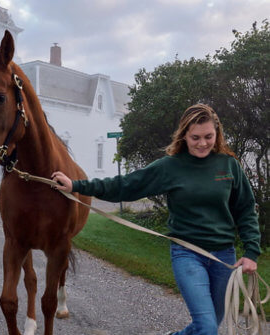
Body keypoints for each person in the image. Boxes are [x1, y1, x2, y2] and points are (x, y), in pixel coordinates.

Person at [51, 104, 260, 335]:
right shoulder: (170, 167)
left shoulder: (228, 165)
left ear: (217, 134)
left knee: (206, 327)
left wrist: (251, 252)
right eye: (195, 137)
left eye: (208, 137)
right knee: (208, 328)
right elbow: (125, 185)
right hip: (188, 254)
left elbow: (246, 209)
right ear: (184, 136)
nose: (202, 143)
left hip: (223, 257)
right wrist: (77, 186)